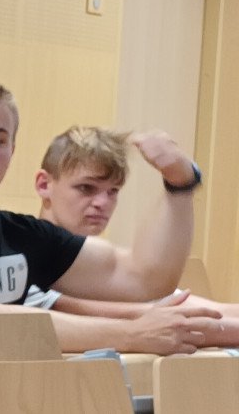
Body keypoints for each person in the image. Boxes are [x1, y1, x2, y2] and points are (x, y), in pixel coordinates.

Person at [0, 78, 221, 354]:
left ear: (12, 150)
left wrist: (180, 184)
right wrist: (132, 335)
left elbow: (146, 278)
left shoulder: (18, 233)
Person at [27, 126, 238, 346]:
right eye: (86, 188)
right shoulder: (24, 253)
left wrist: (181, 181)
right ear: (44, 184)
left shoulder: (103, 264)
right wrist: (181, 182)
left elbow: (212, 312)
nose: (102, 203)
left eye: (113, 191)